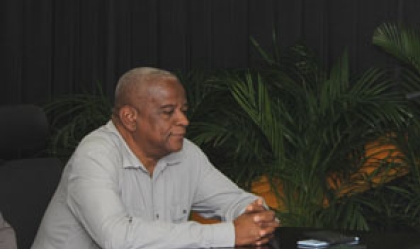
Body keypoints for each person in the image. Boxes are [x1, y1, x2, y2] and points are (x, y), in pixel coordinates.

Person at [33, 67, 279, 248]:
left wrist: (256, 216)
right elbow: (117, 238)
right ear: (130, 117)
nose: (184, 121)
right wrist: (229, 234)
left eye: (183, 111)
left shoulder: (185, 154)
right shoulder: (95, 155)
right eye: (168, 112)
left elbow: (234, 200)